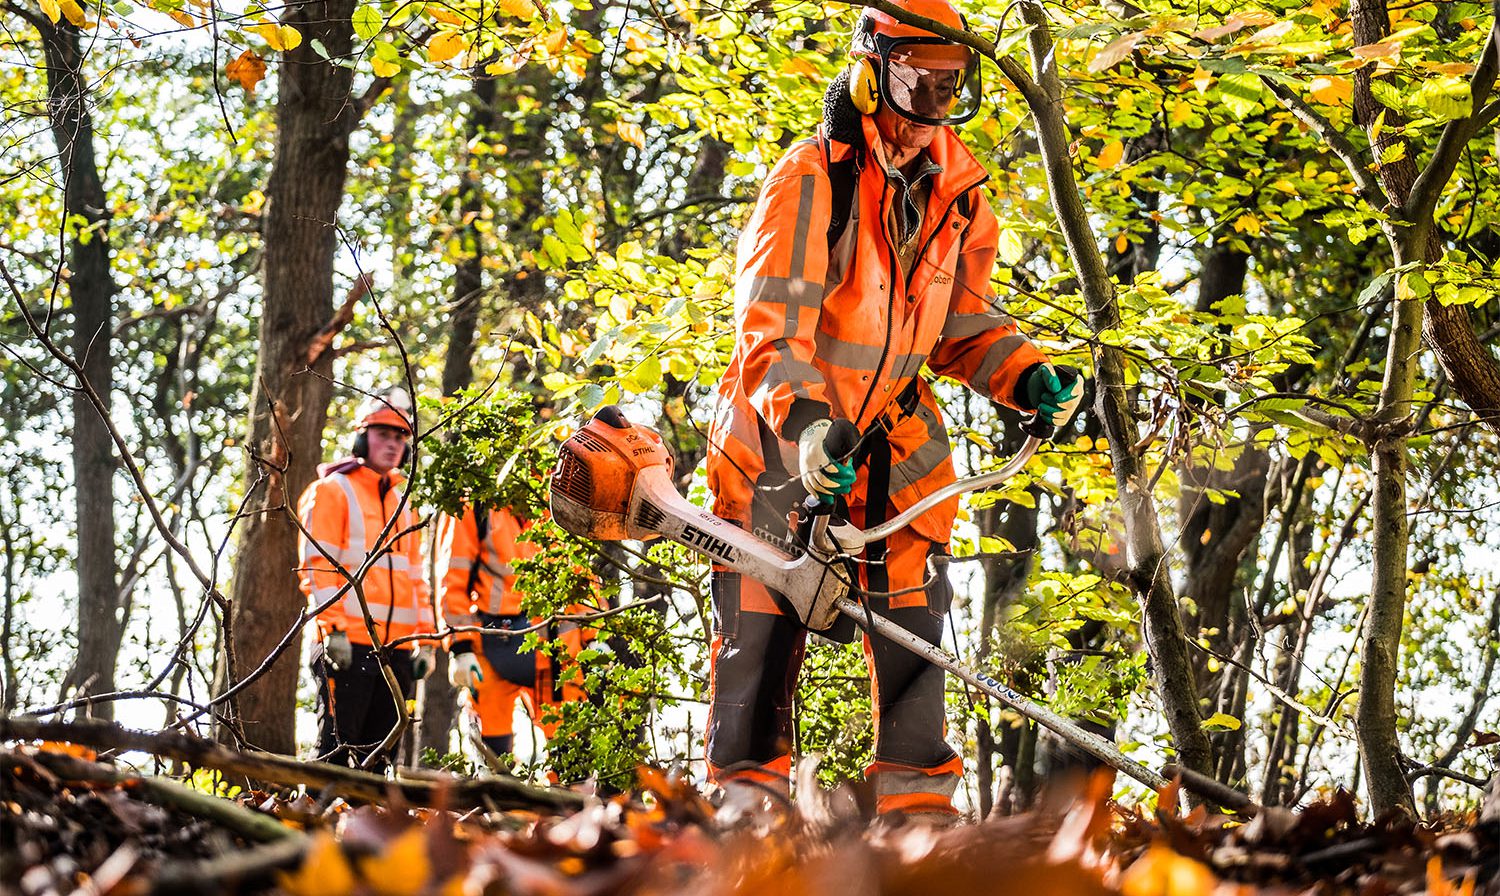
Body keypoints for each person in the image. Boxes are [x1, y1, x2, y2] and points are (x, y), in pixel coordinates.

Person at [704, 0, 1083, 820]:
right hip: (779, 445)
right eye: (918, 88)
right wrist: (806, 425)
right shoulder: (812, 179)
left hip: (890, 447)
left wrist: (1023, 374)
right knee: (759, 653)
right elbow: (769, 329)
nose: (931, 112)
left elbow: (965, 326)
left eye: (950, 91)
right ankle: (745, 824)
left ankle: (919, 827)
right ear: (872, 76)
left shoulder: (961, 192)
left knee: (915, 643)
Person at [298, 387, 436, 770]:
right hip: (345, 646)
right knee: (335, 752)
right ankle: (316, 824)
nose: (392, 445)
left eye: (399, 438)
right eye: (383, 435)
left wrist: (425, 642)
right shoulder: (331, 491)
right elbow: (316, 568)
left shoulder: (404, 502)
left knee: (382, 759)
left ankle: (368, 828)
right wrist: (333, 629)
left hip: (396, 652)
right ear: (363, 437)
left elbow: (415, 579)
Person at [436, 502, 593, 764]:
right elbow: (453, 580)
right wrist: (460, 647)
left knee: (572, 754)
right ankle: (493, 802)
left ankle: (571, 802)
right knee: (492, 756)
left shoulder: (556, 499)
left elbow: (581, 575)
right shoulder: (473, 503)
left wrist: (595, 637)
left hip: (558, 651)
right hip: (492, 647)